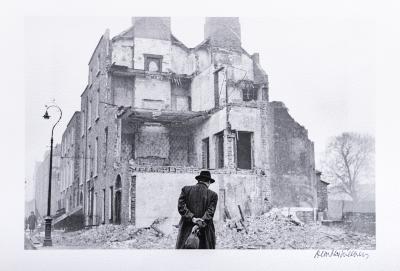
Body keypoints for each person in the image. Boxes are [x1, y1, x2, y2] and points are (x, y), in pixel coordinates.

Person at [176, 170, 218, 249]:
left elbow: (181, 207)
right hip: (205, 232)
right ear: (209, 182)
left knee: (183, 256)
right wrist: (199, 223)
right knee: (205, 257)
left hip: (186, 231)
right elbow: (210, 213)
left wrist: (192, 218)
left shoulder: (186, 190)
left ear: (198, 180)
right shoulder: (213, 195)